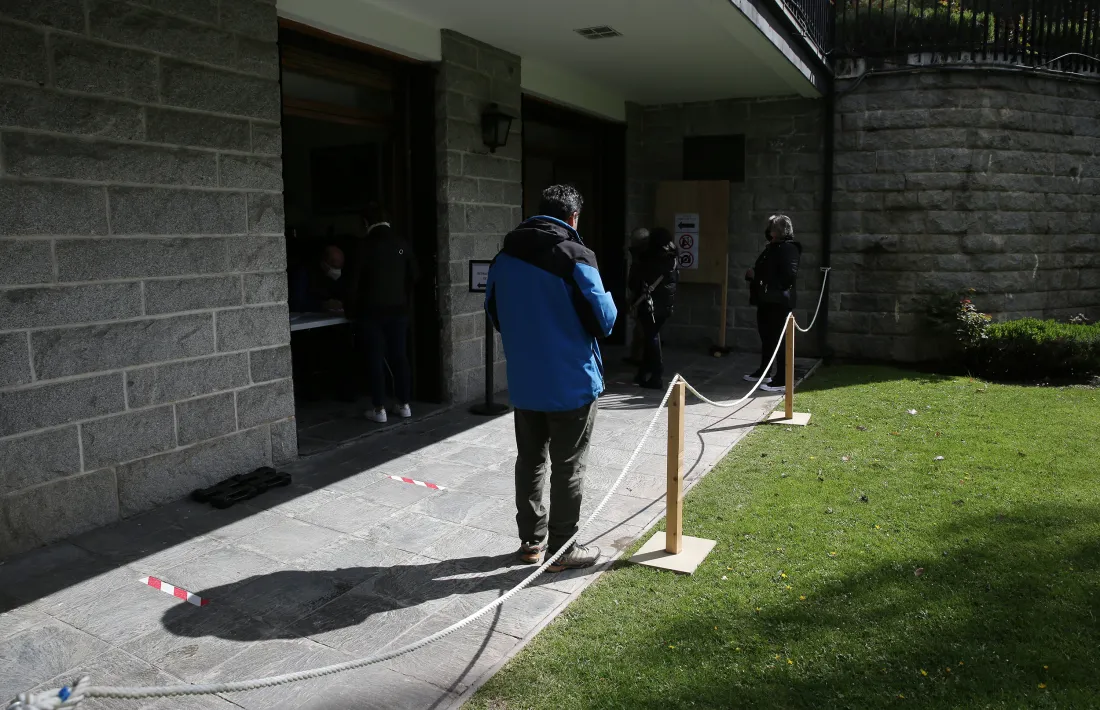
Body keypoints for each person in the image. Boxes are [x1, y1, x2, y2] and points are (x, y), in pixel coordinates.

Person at [485, 185, 617, 573]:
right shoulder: (577, 255)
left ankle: (531, 542)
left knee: (530, 460)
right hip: (572, 381)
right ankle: (562, 550)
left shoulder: (503, 258)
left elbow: (495, 314)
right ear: (573, 218)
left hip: (525, 380)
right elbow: (605, 321)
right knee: (568, 466)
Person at [347, 203, 419, 424]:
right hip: (398, 310)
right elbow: (415, 275)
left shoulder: (363, 247)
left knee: (375, 358)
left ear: (366, 223)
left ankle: (379, 408)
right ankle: (404, 404)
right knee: (400, 357)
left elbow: (352, 283)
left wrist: (349, 308)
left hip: (370, 312)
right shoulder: (402, 244)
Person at [744, 215, 802, 393]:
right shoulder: (773, 248)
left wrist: (759, 277)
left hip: (778, 302)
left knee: (779, 340)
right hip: (766, 300)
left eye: (772, 229)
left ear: (780, 231)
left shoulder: (788, 249)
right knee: (767, 338)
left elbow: (787, 276)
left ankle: (781, 379)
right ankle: (765, 371)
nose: (769, 232)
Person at [629, 227, 678, 389]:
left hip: (650, 303)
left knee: (651, 337)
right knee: (651, 336)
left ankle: (657, 374)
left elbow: (635, 281)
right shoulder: (671, 256)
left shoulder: (649, 258)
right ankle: (643, 372)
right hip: (666, 303)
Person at [289, 245, 346, 313]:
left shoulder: (335, 277)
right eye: (334, 267)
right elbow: (296, 303)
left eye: (340, 267)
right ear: (324, 263)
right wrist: (323, 304)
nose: (337, 271)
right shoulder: (304, 273)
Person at [623, 227, 650, 366]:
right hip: (643, 295)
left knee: (641, 329)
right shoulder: (644, 255)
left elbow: (636, 279)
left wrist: (632, 297)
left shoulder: (643, 257)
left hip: (643, 296)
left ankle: (641, 358)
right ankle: (637, 356)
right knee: (640, 328)